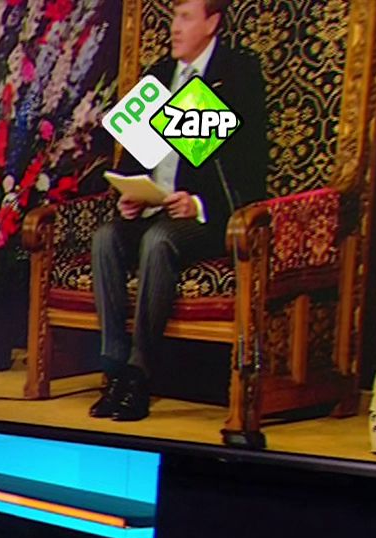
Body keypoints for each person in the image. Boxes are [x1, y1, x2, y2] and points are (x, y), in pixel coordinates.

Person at [88, 0, 268, 422]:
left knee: (159, 241)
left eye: (186, 17)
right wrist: (129, 193)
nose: (174, 27)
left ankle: (139, 375)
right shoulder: (158, 76)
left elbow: (248, 166)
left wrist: (198, 203)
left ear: (212, 23)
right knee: (105, 238)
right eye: (173, 17)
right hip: (155, 209)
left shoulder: (237, 74)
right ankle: (114, 368)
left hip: (205, 217)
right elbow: (133, 158)